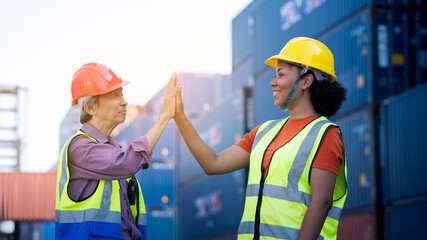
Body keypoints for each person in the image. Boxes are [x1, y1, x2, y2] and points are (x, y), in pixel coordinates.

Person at [174, 37, 347, 240]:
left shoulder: (325, 134)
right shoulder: (264, 132)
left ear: (306, 81)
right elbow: (213, 163)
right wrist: (180, 117)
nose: (272, 82)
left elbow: (322, 202)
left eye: (280, 74)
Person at [55, 62, 179, 240]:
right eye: (115, 96)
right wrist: (165, 116)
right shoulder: (80, 147)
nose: (124, 102)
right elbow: (127, 162)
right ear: (90, 107)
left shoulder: (112, 150)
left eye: (122, 95)